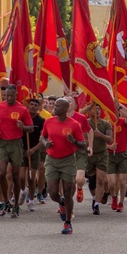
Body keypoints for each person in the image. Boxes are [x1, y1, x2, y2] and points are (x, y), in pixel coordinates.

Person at [41, 97, 87, 235]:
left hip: (67, 160)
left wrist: (74, 141)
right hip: (51, 160)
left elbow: (83, 144)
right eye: (54, 105)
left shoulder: (74, 125)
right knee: (52, 191)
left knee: (68, 191)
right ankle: (61, 203)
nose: (54, 108)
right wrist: (45, 144)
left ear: (65, 109)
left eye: (58, 106)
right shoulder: (49, 121)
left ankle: (68, 222)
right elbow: (42, 137)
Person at [0, 84, 34, 218]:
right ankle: (5, 201)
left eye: (10, 95)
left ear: (16, 95)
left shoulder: (22, 109)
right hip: (2, 143)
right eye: (6, 95)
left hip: (15, 144)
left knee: (15, 175)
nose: (8, 98)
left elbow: (31, 128)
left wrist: (23, 126)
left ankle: (16, 205)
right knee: (1, 173)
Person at [23, 97, 47, 211]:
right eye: (31, 104)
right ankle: (23, 191)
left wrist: (34, 149)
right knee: (21, 177)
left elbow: (43, 139)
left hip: (34, 151)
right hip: (22, 150)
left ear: (38, 107)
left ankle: (31, 200)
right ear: (27, 106)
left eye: (35, 105)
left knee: (32, 178)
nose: (33, 106)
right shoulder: (23, 118)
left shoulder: (42, 121)